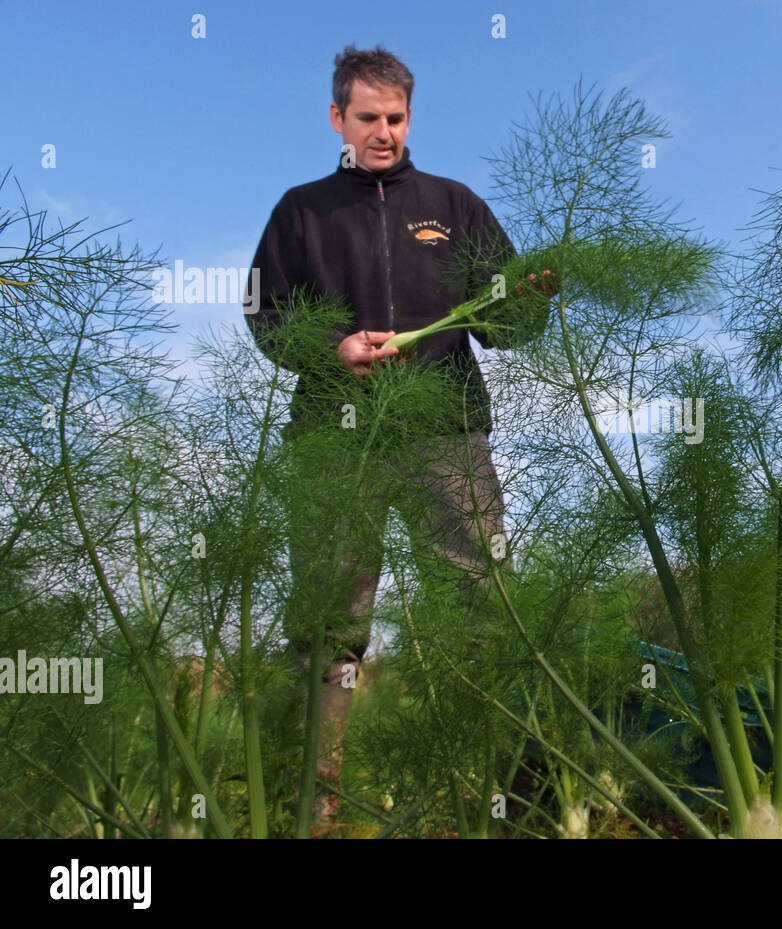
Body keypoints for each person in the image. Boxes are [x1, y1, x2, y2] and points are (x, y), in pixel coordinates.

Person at [244, 44, 556, 829]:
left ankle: (503, 807)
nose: (382, 131)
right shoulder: (300, 211)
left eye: (395, 117)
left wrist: (532, 297)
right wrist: (334, 348)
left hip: (444, 434)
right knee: (327, 628)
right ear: (336, 118)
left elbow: (505, 324)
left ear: (410, 117)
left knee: (479, 609)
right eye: (367, 118)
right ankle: (309, 811)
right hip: (333, 439)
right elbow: (266, 315)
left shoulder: (454, 206)